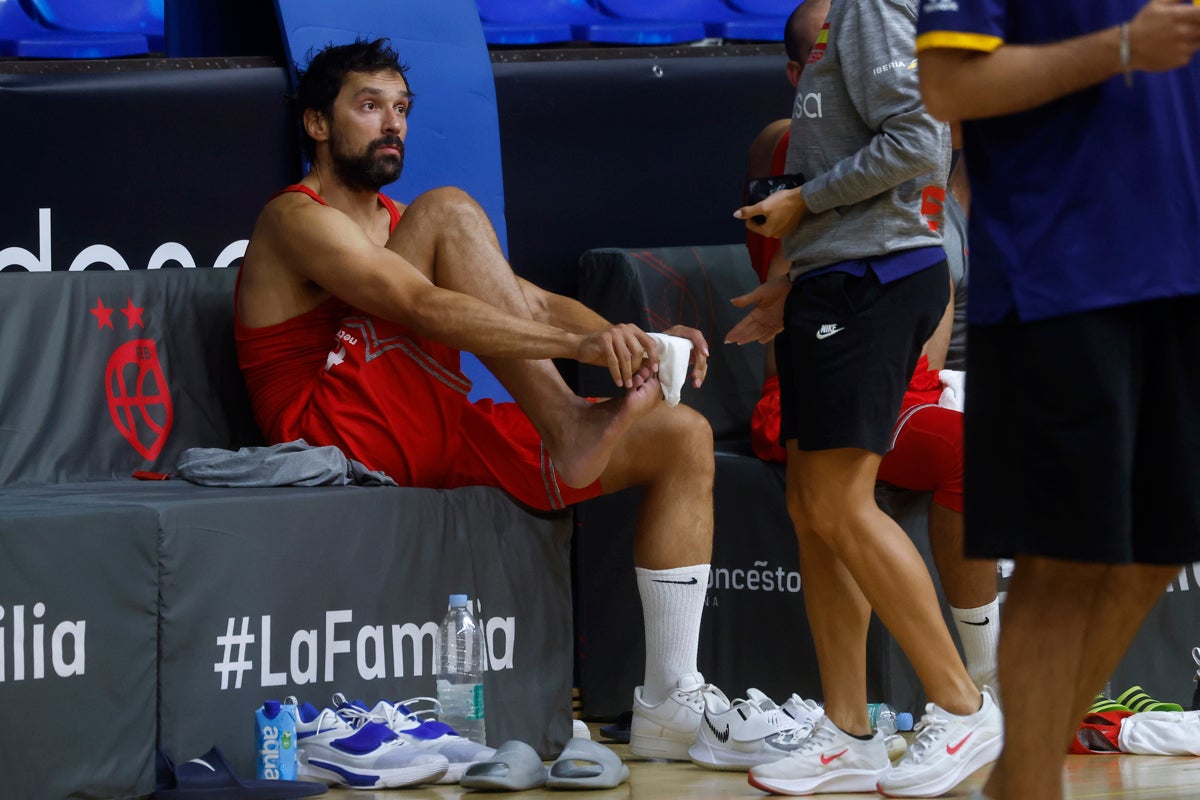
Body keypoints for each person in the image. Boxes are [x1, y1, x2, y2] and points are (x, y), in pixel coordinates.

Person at [235, 38, 723, 761]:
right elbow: (420, 307)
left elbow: (533, 300)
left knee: (683, 435)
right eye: (369, 106)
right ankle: (563, 421)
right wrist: (578, 353)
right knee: (450, 209)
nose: (392, 123)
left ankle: (670, 696)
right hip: (330, 436)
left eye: (401, 108)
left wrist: (644, 344)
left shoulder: (404, 225)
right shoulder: (293, 218)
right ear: (316, 124)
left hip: (426, 422)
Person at [915, 2, 1200, 799]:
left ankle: (1019, 781)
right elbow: (945, 87)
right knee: (1060, 559)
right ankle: (1032, 785)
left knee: (1155, 550)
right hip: (1061, 277)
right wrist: (1118, 49)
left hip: (1181, 270)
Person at [726, 0, 1003, 795]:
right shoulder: (839, 17)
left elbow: (917, 140)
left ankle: (960, 706)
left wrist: (804, 207)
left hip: (876, 282)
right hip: (839, 279)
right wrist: (795, 277)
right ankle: (848, 730)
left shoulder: (871, 6)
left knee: (842, 504)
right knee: (813, 511)